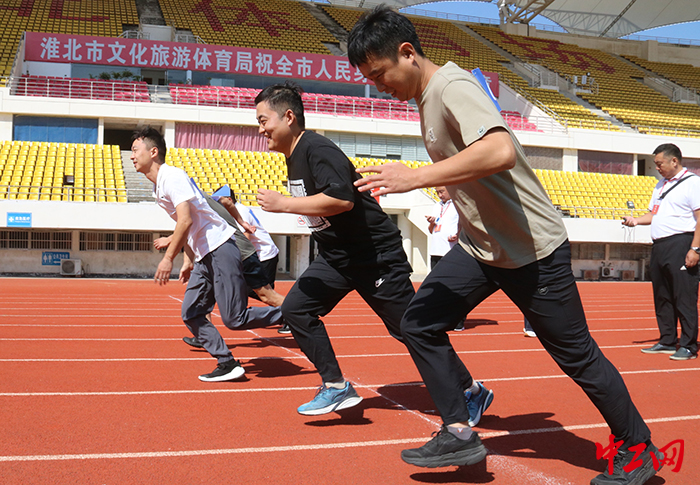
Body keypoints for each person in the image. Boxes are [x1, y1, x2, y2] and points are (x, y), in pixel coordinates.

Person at [347, 7, 661, 484]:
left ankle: (638, 449)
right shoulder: (425, 97)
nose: (377, 85)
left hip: (532, 250)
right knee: (418, 323)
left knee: (578, 357)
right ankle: (458, 428)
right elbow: (471, 164)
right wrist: (450, 189)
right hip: (481, 248)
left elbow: (500, 151)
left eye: (379, 73)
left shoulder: (452, 87)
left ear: (407, 53)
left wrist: (416, 177)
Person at [254, 82, 494, 420]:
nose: (260, 128)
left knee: (411, 329)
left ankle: (470, 390)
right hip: (338, 258)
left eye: (264, 120)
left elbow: (342, 199)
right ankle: (336, 387)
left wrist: (285, 204)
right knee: (296, 309)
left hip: (373, 256)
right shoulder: (295, 159)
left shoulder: (317, 149)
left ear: (289, 116)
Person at [131, 126, 284, 382]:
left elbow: (186, 221)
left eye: (135, 150)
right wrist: (189, 260)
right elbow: (191, 224)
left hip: (220, 247)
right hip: (205, 255)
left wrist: (169, 257)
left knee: (235, 318)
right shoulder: (159, 188)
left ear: (153, 151)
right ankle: (227, 362)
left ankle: (293, 311)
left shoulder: (172, 177)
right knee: (191, 312)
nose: (132, 156)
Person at [155, 188, 289, 349]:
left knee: (265, 296)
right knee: (206, 296)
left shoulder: (204, 203)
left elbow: (189, 227)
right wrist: (188, 262)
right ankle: (203, 335)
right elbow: (190, 232)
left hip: (248, 255)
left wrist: (170, 241)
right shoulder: (202, 203)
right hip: (223, 256)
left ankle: (295, 314)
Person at [622, 143, 699, 361]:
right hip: (659, 246)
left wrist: (695, 248)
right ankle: (667, 340)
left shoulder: (693, 183)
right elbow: (653, 215)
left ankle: (689, 345)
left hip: (682, 243)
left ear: (674, 161)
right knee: (662, 296)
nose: (657, 168)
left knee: (684, 296)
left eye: (660, 163)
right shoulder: (660, 185)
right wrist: (636, 221)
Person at [427, 186, 459, 269]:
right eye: (437, 192)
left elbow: (464, 225)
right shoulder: (437, 205)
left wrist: (458, 235)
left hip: (450, 250)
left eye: (442, 192)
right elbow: (431, 231)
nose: (440, 195)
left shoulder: (457, 204)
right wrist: (432, 223)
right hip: (435, 251)